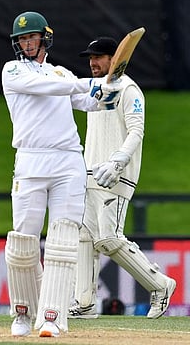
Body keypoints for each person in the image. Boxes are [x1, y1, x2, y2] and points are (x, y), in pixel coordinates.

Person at [1, 11, 122, 338]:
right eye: (22, 39)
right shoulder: (12, 70)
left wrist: (112, 87)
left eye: (32, 37)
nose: (27, 43)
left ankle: (52, 316)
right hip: (30, 160)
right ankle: (23, 313)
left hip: (68, 160)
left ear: (45, 38)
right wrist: (90, 83)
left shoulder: (61, 72)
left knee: (63, 237)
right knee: (24, 239)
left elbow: (90, 102)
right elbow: (48, 87)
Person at [69, 36, 176, 319]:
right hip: (90, 172)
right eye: (90, 58)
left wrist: (118, 161)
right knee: (84, 237)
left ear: (114, 58)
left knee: (108, 238)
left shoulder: (130, 90)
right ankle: (84, 302)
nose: (92, 63)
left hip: (116, 175)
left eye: (98, 57)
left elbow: (136, 131)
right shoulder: (98, 89)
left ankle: (161, 285)